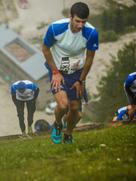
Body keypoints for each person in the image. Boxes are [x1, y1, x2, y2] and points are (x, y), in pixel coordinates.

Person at [42, 2, 98, 144]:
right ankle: (57, 124)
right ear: (70, 17)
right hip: (57, 71)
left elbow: (90, 58)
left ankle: (68, 134)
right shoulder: (56, 28)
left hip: (76, 73)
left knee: (76, 112)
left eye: (83, 22)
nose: (80, 25)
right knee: (63, 105)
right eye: (77, 21)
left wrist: (81, 80)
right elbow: (45, 49)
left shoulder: (91, 33)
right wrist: (55, 72)